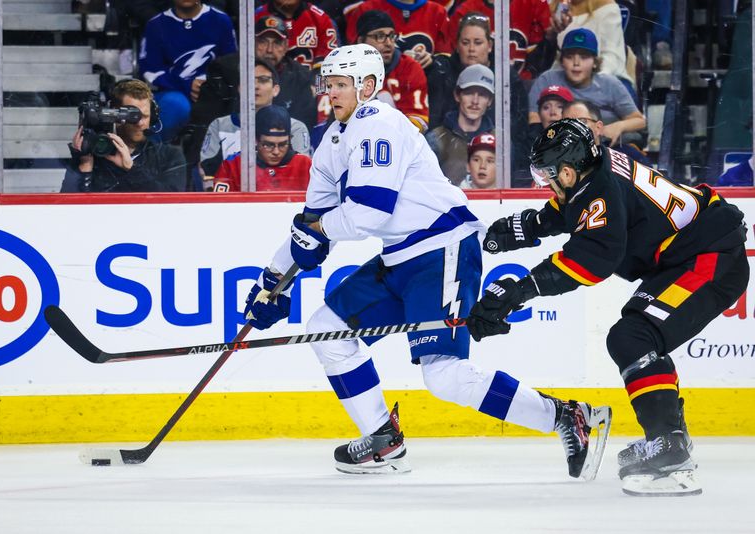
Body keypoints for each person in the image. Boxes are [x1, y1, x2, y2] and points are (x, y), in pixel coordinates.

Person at [242, 44, 611, 477]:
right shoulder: (332, 142)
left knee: (446, 376)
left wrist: (318, 233)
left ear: (368, 85)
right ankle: (382, 438)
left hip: (443, 249)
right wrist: (270, 281)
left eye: (342, 84)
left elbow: (368, 212)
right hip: (400, 257)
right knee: (326, 330)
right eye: (330, 84)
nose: (332, 92)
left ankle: (568, 417)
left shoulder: (378, 122)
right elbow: (310, 223)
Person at [466, 118, 749, 496]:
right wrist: (528, 227)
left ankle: (669, 445)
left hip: (710, 260)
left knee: (634, 337)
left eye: (550, 176)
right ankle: (670, 438)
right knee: (633, 337)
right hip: (692, 255)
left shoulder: (599, 194)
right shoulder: (594, 170)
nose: (548, 185)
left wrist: (519, 293)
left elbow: (591, 260)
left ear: (567, 170)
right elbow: (574, 210)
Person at [427, 13, 530, 176]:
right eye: (465, 42)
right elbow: (434, 121)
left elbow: (520, 131)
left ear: (489, 45)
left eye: (478, 42)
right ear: (457, 45)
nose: (472, 49)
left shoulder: (506, 77)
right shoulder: (442, 73)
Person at [199, 60, 311, 188]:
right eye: (250, 80)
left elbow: (301, 173)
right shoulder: (219, 125)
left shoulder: (295, 128)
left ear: (276, 89)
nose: (256, 86)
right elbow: (207, 173)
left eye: (263, 80)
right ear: (240, 88)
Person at [62, 79, 186, 192]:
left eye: (146, 116)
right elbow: (65, 208)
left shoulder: (169, 156)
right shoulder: (94, 153)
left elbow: (172, 204)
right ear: (114, 113)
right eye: (133, 116)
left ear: (153, 117)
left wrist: (131, 168)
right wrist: (84, 166)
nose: (140, 123)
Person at [528, 28, 645, 147]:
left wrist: (618, 126)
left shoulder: (610, 84)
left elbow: (639, 121)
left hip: (604, 145)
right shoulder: (548, 79)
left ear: (595, 62)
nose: (576, 63)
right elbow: (533, 117)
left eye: (584, 57)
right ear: (562, 61)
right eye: (569, 57)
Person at [139, 0, 237, 141]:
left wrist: (207, 84)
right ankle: (153, 154)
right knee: (175, 105)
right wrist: (187, 85)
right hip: (172, 94)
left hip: (213, 93)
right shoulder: (156, 24)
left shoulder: (221, 20)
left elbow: (231, 64)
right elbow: (151, 71)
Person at [356, 10, 430, 132]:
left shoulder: (409, 67)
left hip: (401, 143)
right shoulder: (344, 70)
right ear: (361, 41)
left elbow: (419, 120)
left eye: (391, 36)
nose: (389, 43)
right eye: (379, 36)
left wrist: (388, 134)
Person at [212, 105, 312, 192]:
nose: (276, 152)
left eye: (282, 144)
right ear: (256, 140)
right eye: (268, 145)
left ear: (289, 139)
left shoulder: (306, 165)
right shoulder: (233, 166)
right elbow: (219, 208)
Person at [445, 0, 553, 79]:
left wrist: (552, 37)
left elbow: (542, 62)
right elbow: (454, 61)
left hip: (523, 86)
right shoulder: (465, 11)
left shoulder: (533, 5)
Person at [426, 63, 495, 186]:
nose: (475, 101)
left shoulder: (500, 141)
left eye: (482, 95)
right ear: (457, 95)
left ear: (490, 100)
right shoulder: (436, 139)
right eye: (469, 93)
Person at [255, 14, 318, 133]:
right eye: (263, 42)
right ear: (253, 43)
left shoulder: (301, 77)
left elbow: (303, 126)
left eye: (276, 43)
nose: (269, 49)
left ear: (285, 46)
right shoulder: (234, 71)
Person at [344, 0, 449, 70]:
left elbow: (446, 61)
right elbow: (352, 60)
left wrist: (432, 61)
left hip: (423, 91)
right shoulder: (366, 9)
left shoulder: (438, 12)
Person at [563, 98, 653, 166]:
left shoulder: (627, 157)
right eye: (566, 123)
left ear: (598, 127)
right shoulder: (555, 162)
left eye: (582, 121)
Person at [255, 0, 339, 70]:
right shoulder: (253, 17)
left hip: (309, 87)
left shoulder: (321, 20)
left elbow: (327, 69)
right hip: (264, 86)